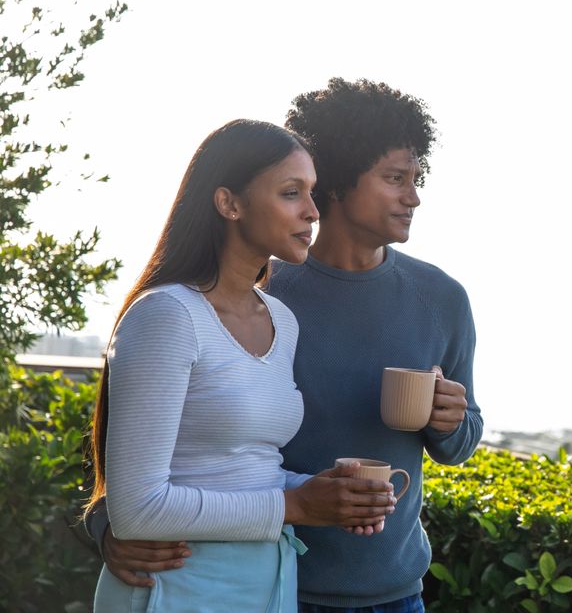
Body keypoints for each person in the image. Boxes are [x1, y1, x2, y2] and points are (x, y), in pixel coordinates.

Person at [95, 81, 483, 612]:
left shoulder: (436, 300)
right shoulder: (231, 299)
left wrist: (449, 421)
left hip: (379, 590)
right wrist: (110, 526)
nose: (413, 196)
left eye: (416, 180)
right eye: (395, 178)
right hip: (268, 582)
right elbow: (137, 450)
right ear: (340, 184)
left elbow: (458, 444)